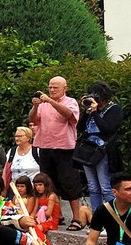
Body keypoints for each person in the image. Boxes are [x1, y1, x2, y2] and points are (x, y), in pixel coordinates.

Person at [28, 76, 83, 231]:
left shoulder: (70, 102)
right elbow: (33, 119)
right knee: (49, 183)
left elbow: (70, 116)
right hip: (45, 146)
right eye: (50, 87)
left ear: (65, 88)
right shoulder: (43, 104)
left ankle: (77, 218)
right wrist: (35, 106)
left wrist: (51, 101)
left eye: (55, 87)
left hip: (64, 148)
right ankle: (56, 216)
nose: (52, 90)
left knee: (69, 182)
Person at [77, 81, 123, 212]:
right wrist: (87, 111)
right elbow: (80, 127)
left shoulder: (114, 109)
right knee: (92, 187)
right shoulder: (91, 110)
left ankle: (113, 217)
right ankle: (97, 217)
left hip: (103, 151)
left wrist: (95, 112)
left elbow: (107, 129)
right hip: (88, 150)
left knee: (105, 186)